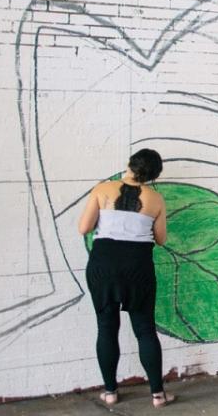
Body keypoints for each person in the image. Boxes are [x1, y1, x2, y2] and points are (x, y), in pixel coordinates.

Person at [76, 149, 175, 408]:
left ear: (130, 165)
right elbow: (161, 239)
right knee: (145, 329)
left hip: (103, 265)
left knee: (106, 327)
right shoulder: (156, 199)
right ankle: (157, 395)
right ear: (153, 175)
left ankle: (110, 392)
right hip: (137, 267)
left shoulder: (102, 189)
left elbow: (83, 228)